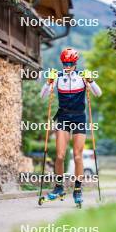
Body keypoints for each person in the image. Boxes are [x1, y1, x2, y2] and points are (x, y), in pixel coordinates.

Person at [40, 48, 102, 206]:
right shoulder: (58, 77)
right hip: (63, 116)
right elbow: (42, 96)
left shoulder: (82, 77)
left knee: (77, 156)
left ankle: (77, 189)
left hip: (79, 117)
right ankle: (59, 187)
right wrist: (48, 82)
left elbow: (98, 93)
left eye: (70, 63)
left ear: (75, 63)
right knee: (60, 156)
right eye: (64, 63)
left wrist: (91, 80)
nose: (67, 66)